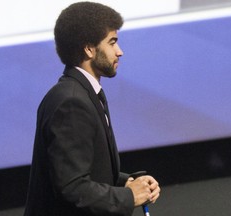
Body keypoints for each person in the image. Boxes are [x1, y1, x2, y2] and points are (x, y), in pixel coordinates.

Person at [24, 2, 160, 216]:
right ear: (89, 49)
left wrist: (128, 183)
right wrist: (129, 196)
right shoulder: (71, 102)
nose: (119, 51)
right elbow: (72, 187)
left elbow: (87, 171)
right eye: (112, 42)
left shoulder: (82, 93)